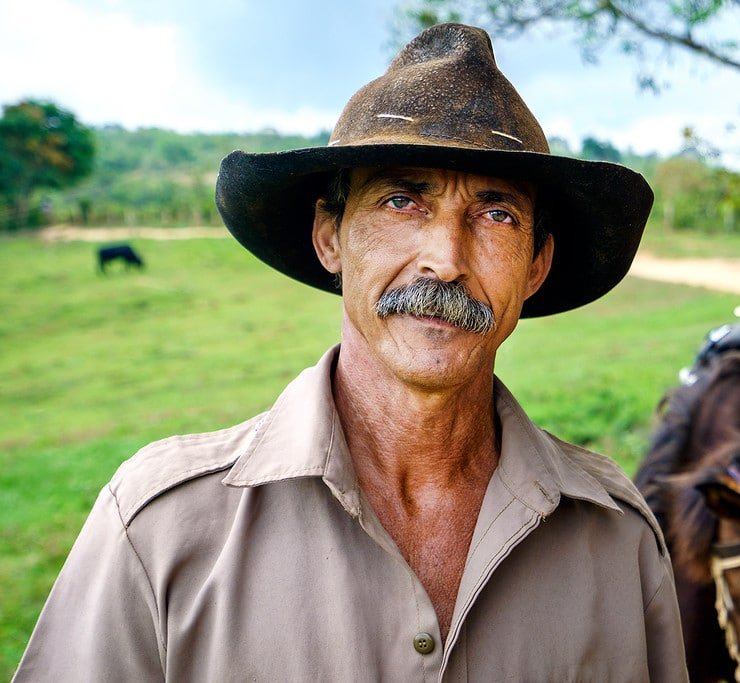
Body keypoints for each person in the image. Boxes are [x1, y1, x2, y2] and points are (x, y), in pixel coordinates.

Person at [15, 23, 687, 681]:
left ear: (535, 265)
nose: (445, 261)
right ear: (330, 237)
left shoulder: (616, 538)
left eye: (495, 215)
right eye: (402, 201)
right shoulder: (159, 530)